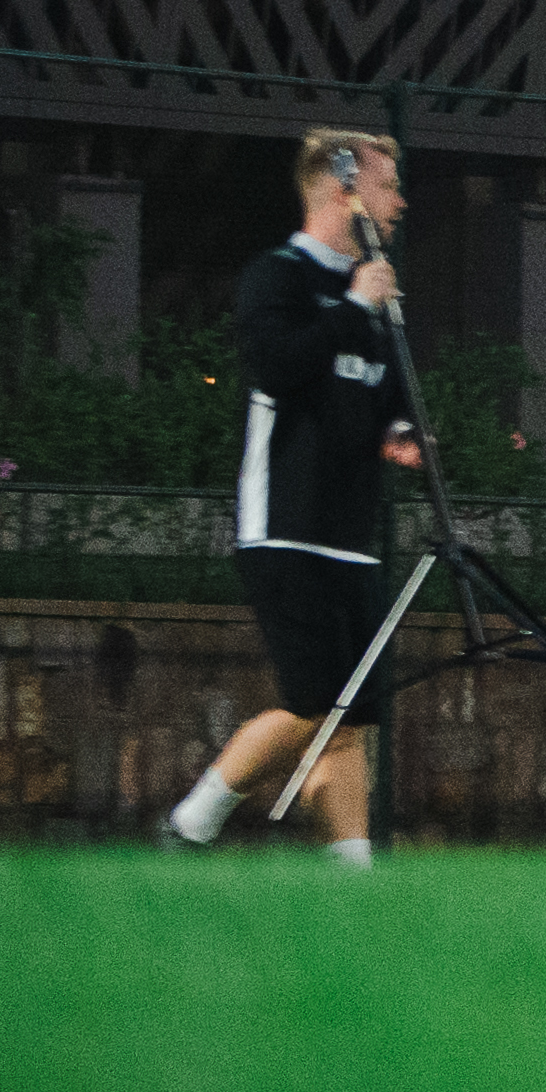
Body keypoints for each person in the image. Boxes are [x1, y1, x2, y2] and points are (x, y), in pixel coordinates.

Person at [167, 127, 423, 861]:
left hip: (350, 536)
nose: (398, 203)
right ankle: (194, 820)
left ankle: (353, 872)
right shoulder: (278, 277)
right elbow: (278, 366)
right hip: (284, 527)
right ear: (345, 189)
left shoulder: (374, 293)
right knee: (318, 700)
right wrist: (351, 306)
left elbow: (381, 391)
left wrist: (400, 428)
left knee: (353, 712)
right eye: (386, 185)